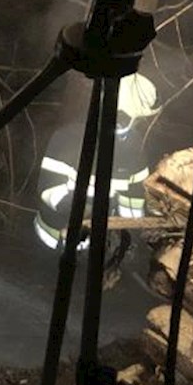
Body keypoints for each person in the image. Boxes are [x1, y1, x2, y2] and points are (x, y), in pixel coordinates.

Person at [33, 72, 159, 252]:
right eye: (138, 118)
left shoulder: (134, 148)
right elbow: (50, 190)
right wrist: (85, 212)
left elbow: (133, 198)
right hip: (53, 241)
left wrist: (134, 233)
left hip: (98, 246)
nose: (140, 124)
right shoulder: (67, 139)